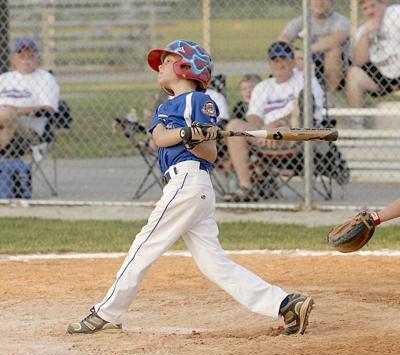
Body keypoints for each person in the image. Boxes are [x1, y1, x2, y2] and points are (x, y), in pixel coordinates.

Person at [66, 39, 314, 336]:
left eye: (167, 60)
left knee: (143, 247)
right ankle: (285, 304)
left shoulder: (199, 102)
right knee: (214, 264)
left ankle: (106, 311)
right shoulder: (164, 108)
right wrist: (186, 133)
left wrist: (198, 140)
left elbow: (210, 154)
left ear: (187, 68)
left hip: (189, 181)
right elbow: (159, 138)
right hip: (187, 187)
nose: (159, 66)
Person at [224, 41, 324, 202]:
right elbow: (254, 116)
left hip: (296, 135)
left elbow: (306, 112)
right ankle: (245, 187)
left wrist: (276, 126)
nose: (279, 64)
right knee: (234, 126)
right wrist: (263, 131)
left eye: (283, 59)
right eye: (274, 60)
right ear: (269, 63)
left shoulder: (306, 80)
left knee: (298, 112)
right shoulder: (263, 87)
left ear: (292, 61)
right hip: (264, 138)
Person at [279, 0, 351, 106]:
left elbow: (337, 38)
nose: (320, 2)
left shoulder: (340, 20)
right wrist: (295, 53)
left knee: (333, 52)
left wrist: (306, 51)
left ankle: (328, 98)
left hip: (339, 69)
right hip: (310, 63)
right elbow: (282, 41)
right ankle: (295, 99)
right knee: (293, 55)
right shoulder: (302, 20)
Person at [0, 37, 60, 158]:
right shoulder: (4, 78)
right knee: (6, 114)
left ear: (38, 58)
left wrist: (16, 111)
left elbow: (48, 108)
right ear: (13, 59)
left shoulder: (45, 78)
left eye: (31, 56)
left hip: (28, 129)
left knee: (8, 114)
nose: (26, 60)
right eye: (21, 56)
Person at [346, 0, 400, 128]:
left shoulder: (395, 13)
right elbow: (359, 61)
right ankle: (356, 126)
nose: (370, 11)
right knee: (353, 74)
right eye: (365, 8)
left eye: (373, 6)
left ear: (383, 3)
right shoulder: (362, 31)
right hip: (381, 77)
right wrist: (366, 35)